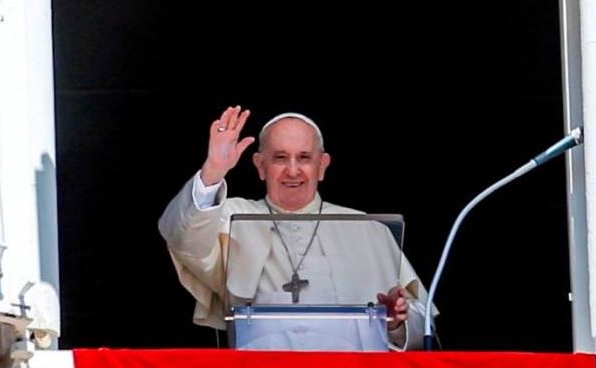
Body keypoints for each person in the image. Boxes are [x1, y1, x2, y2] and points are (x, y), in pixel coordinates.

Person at [158, 105, 432, 350]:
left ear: (321, 166)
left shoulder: (369, 230)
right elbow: (182, 238)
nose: (292, 170)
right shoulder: (230, 217)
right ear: (260, 166)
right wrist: (213, 170)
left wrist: (396, 323)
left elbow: (424, 326)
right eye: (280, 157)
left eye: (304, 157)